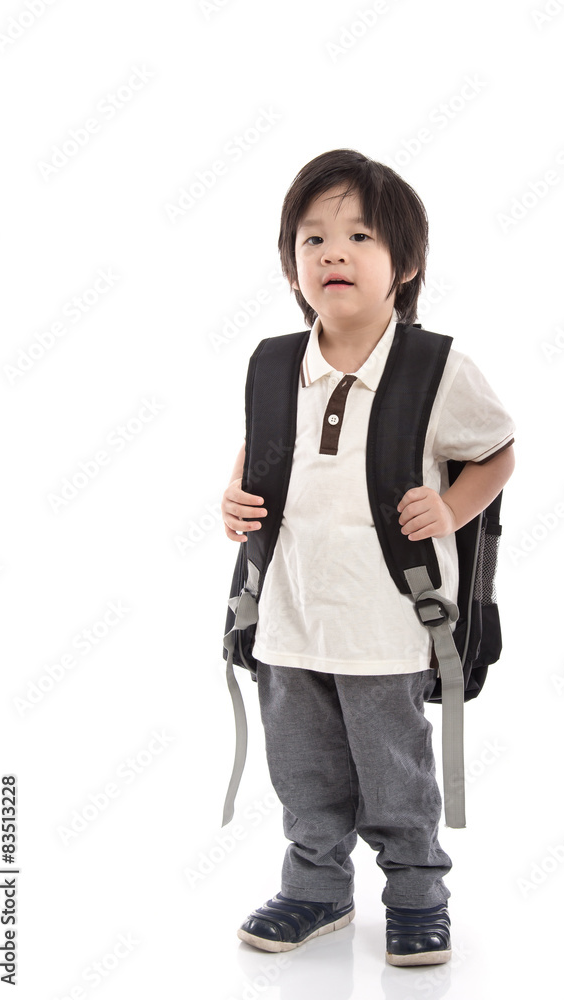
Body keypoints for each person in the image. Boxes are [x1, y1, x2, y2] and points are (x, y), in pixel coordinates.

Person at [220, 148, 515, 967]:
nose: (333, 253)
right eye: (311, 240)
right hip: (286, 616)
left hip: (387, 621)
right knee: (302, 773)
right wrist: (233, 495)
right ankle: (316, 888)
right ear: (292, 265)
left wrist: (450, 506)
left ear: (406, 262)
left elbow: (495, 451)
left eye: (358, 235)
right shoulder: (276, 361)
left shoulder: (435, 367)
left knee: (395, 777)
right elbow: (261, 445)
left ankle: (418, 893)